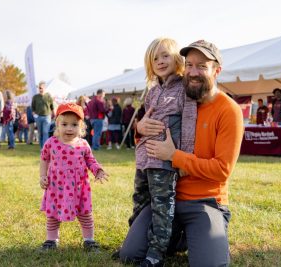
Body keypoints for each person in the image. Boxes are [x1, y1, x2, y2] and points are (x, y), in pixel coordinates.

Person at [118, 39, 244, 267]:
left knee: (208, 264)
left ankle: (194, 233)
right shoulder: (174, 98)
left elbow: (222, 170)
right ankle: (177, 236)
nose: (193, 72)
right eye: (190, 65)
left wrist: (174, 156)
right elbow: (153, 133)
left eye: (202, 66)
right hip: (166, 198)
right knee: (129, 254)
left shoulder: (228, 110)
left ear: (217, 71)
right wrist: (140, 128)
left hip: (204, 202)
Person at [126, 37, 197, 267]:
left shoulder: (184, 88)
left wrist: (183, 159)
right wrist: (139, 126)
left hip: (163, 161)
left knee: (161, 207)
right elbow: (144, 122)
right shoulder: (152, 90)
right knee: (139, 202)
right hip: (144, 159)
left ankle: (156, 254)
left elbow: (189, 123)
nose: (160, 61)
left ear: (176, 58)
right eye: (155, 58)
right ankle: (134, 242)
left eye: (165, 55)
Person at [38, 103, 108, 251]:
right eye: (64, 124)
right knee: (53, 214)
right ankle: (51, 240)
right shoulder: (51, 143)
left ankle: (89, 240)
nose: (69, 128)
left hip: (79, 188)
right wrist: (42, 176)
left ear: (81, 127)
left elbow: (91, 161)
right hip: (56, 187)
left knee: (85, 214)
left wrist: (98, 171)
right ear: (57, 124)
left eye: (74, 124)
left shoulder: (83, 144)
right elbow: (44, 159)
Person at [31, 81, 54, 148]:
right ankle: (42, 148)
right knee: (40, 133)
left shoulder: (48, 96)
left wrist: (54, 114)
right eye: (39, 88)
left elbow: (52, 106)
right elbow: (32, 107)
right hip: (38, 117)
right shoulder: (35, 97)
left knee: (45, 132)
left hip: (47, 117)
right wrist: (34, 115)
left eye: (41, 88)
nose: (40, 89)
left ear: (45, 88)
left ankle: (45, 148)